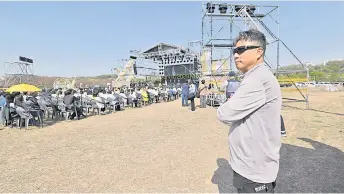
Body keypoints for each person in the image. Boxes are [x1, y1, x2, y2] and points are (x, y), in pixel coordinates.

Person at [217, 29, 282, 193]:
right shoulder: (255, 77)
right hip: (251, 164)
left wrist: (228, 104)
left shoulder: (256, 79)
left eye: (241, 50)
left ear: (259, 52)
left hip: (254, 170)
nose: (235, 55)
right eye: (234, 51)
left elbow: (224, 113)